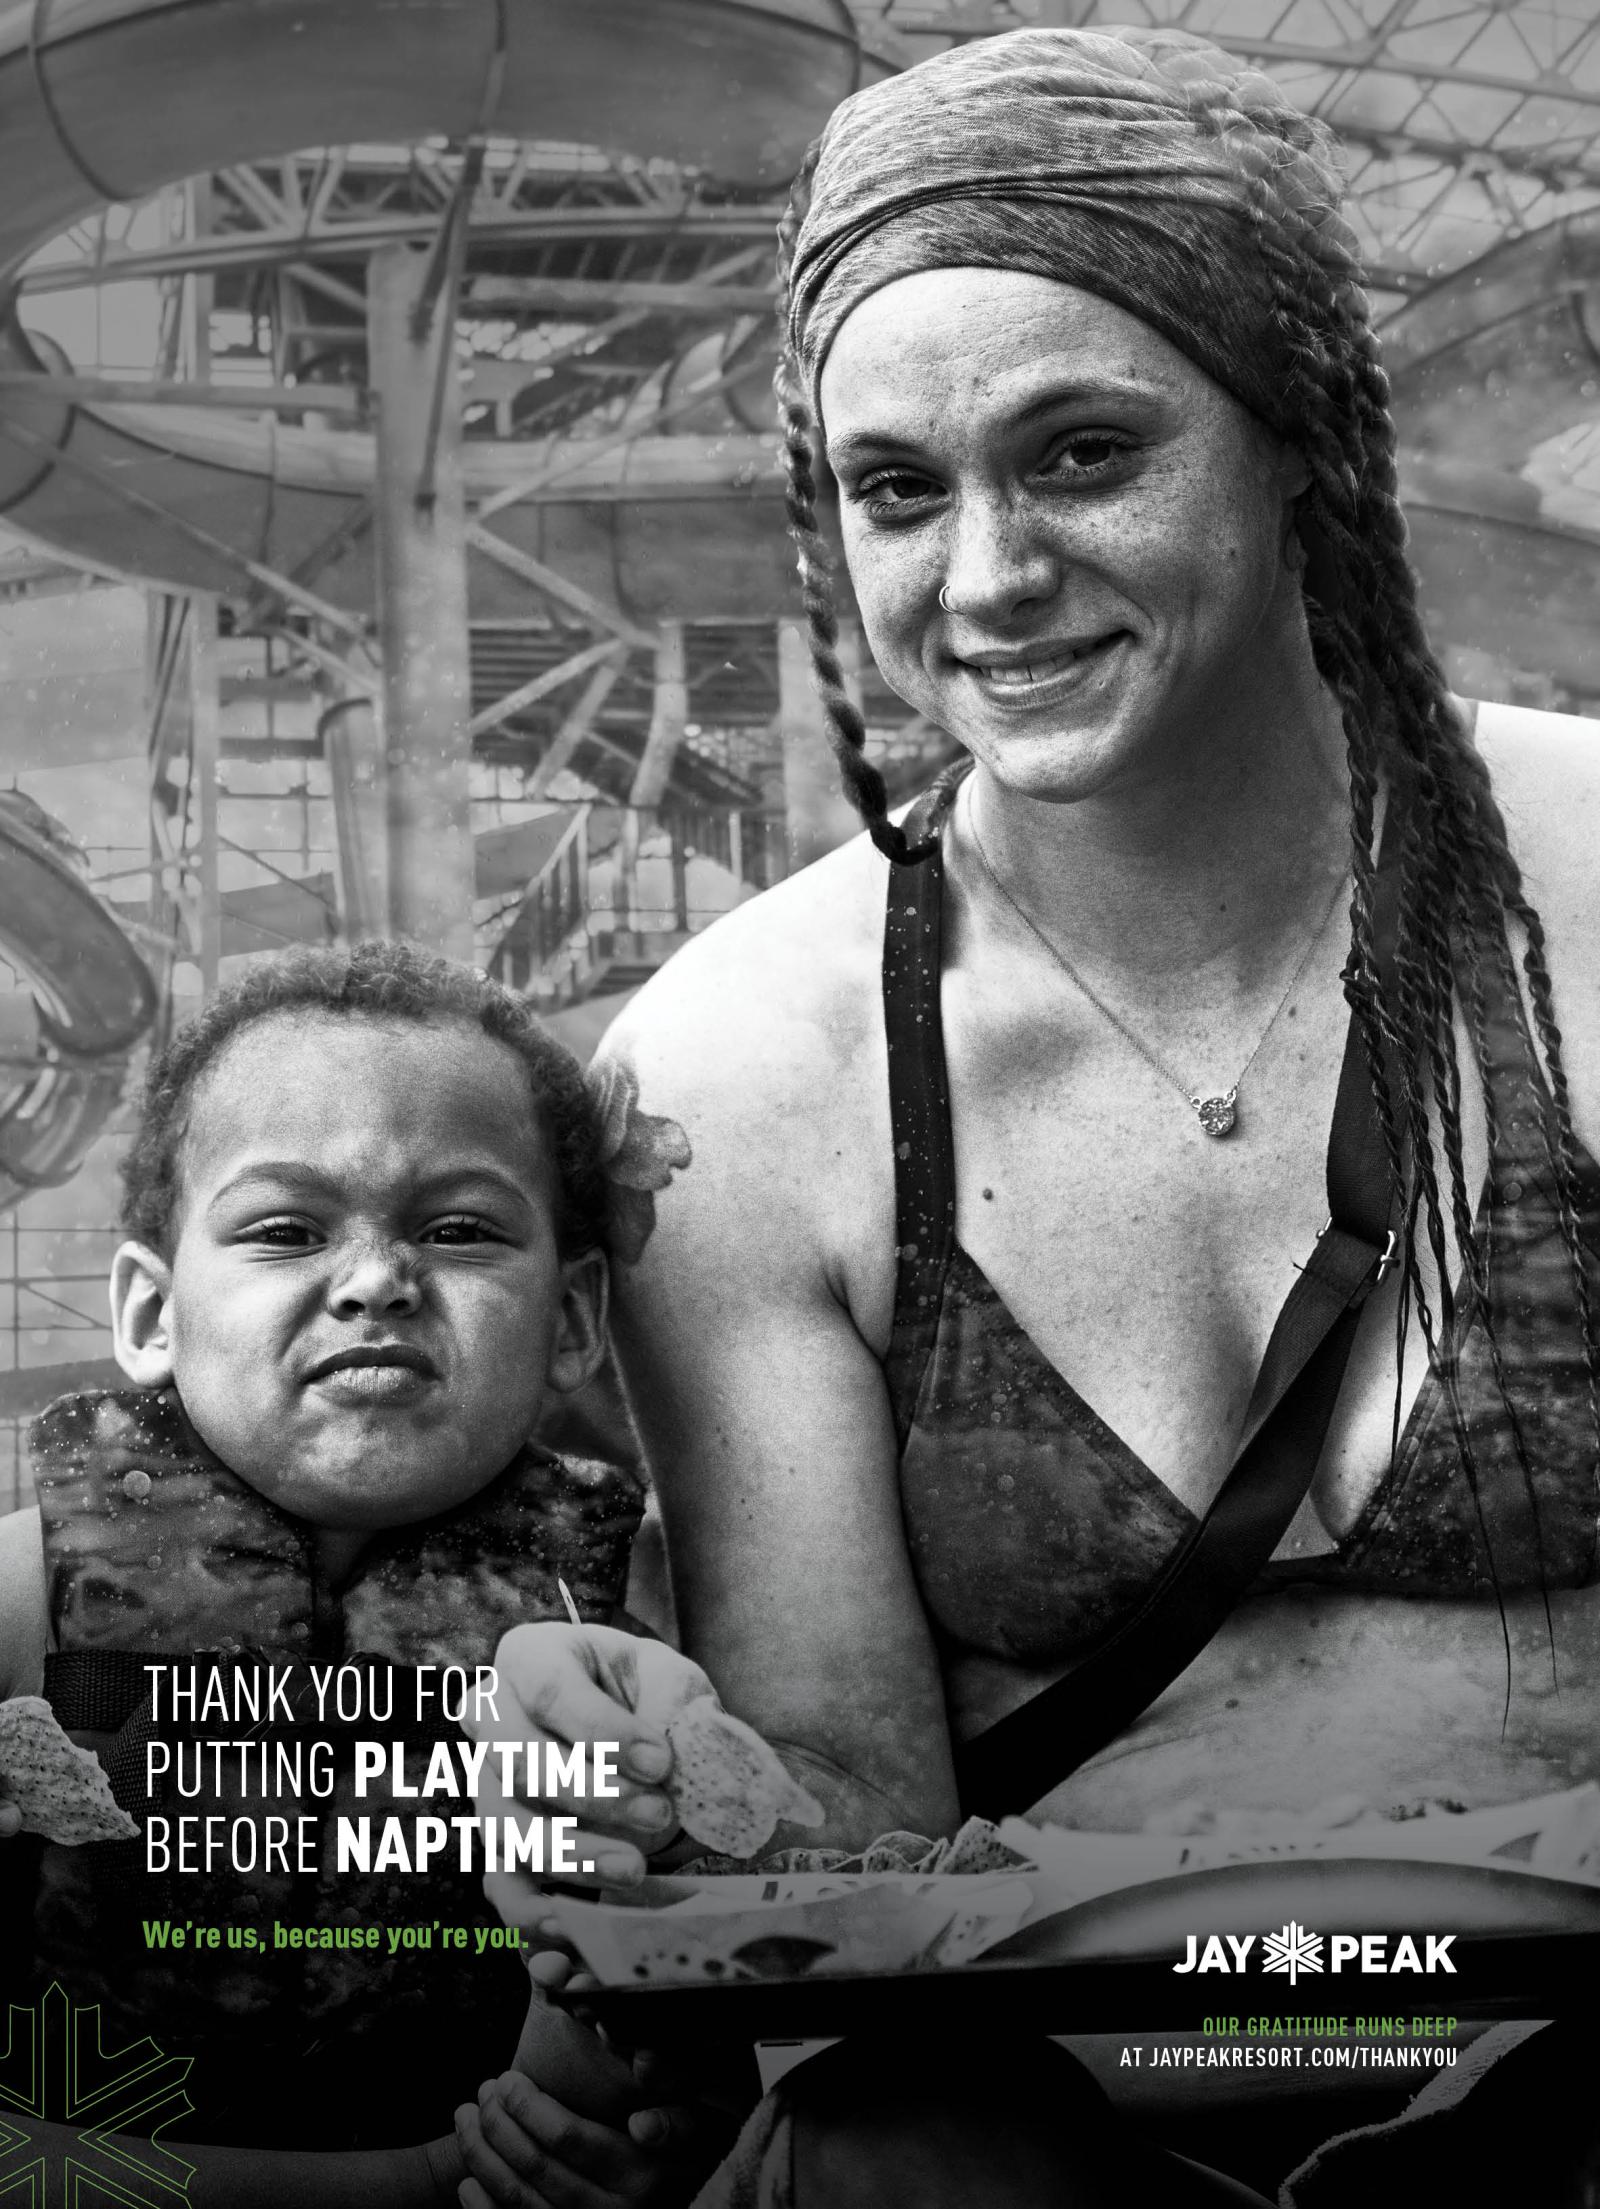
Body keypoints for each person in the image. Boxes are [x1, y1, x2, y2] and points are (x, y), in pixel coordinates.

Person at [459, 24, 1600, 2206]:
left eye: (1080, 453)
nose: (982, 577)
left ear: (1295, 451)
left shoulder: (1595, 894)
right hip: (1044, 2125)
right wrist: (646, 1789)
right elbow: (846, 1848)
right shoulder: (742, 1075)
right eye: (896, 489)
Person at [0, 941, 650, 2204]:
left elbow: (681, 2024)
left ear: (571, 1321)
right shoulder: (23, 1602)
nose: (374, 1282)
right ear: (149, 1316)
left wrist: (643, 2127)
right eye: (287, 1228)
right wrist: (407, 2185)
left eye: (458, 1229)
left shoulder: (634, 1628)